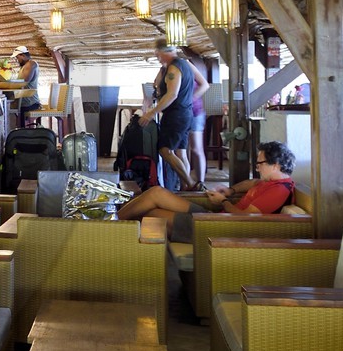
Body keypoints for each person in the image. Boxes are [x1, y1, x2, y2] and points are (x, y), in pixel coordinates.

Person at [117, 140, 296, 222]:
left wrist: (223, 201)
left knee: (153, 214)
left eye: (260, 164)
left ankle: (111, 223)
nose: (257, 168)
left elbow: (244, 219)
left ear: (276, 165)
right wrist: (231, 191)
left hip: (217, 228)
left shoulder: (279, 190)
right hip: (215, 217)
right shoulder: (269, 182)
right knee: (156, 193)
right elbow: (251, 183)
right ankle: (113, 219)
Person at [140, 39, 197, 190]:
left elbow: (172, 95)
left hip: (175, 115)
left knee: (165, 150)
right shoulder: (183, 65)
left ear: (166, 52)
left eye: (158, 55)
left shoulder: (174, 68)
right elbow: (157, 87)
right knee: (181, 153)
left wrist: (151, 113)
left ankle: (190, 184)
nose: (158, 58)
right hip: (185, 113)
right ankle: (185, 189)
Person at [181, 48, 212, 186]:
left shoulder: (186, 64)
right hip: (179, 113)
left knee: (196, 148)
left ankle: (200, 183)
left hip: (195, 111)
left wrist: (191, 99)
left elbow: (204, 85)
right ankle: (185, 182)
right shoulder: (166, 68)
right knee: (181, 150)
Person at [10, 46, 40, 121]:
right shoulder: (24, 66)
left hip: (30, 103)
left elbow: (22, 83)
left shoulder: (31, 64)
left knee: (8, 109)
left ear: (22, 56)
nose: (17, 60)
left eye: (17, 58)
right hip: (24, 102)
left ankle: (21, 130)